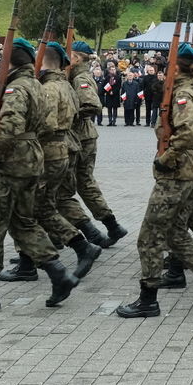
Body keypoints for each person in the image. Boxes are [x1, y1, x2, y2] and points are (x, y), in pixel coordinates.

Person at [0, 38, 80, 312]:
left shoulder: (16, 88)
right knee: (23, 222)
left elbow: (9, 126)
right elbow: (46, 123)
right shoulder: (36, 84)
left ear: (11, 61)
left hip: (9, 164)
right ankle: (58, 273)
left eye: (2, 60)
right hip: (31, 159)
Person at [116, 43, 193, 318]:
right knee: (175, 235)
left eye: (166, 67)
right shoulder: (186, 90)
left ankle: (148, 300)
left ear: (177, 67)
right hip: (185, 172)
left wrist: (168, 156)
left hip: (176, 174)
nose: (162, 72)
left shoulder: (183, 93)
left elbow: (190, 133)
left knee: (148, 238)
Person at [0, 42, 102, 283]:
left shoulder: (47, 88)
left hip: (48, 150)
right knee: (43, 206)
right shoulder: (64, 84)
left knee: (29, 208)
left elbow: (44, 123)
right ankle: (59, 250)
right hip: (64, 148)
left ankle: (34, 261)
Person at [65, 42, 129, 247]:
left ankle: (104, 228)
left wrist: (68, 117)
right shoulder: (75, 76)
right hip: (81, 136)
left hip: (81, 137)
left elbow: (92, 105)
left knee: (74, 186)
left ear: (76, 58)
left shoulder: (81, 77)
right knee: (82, 184)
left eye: (70, 56)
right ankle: (112, 226)